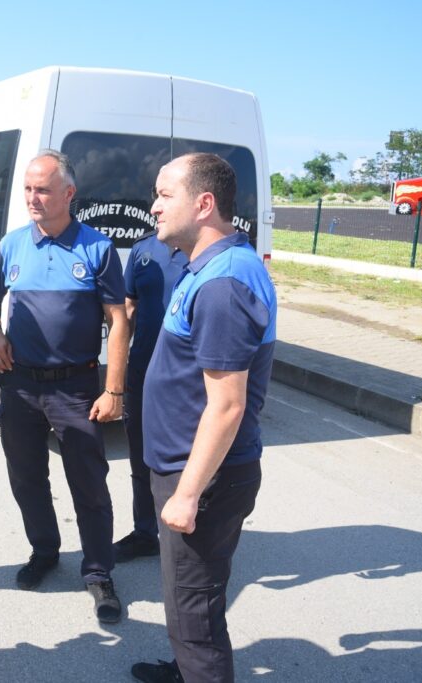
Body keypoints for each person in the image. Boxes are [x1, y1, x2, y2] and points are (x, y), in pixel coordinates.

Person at [130, 153, 277, 683]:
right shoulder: (212, 266)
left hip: (202, 476)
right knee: (192, 602)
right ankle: (184, 669)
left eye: (164, 194)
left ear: (204, 203)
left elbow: (228, 404)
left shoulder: (223, 285)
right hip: (189, 467)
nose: (153, 207)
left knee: (194, 615)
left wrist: (187, 494)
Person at [0, 149, 130, 624]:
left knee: (89, 484)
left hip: (75, 388)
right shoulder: (12, 245)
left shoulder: (97, 248)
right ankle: (44, 551)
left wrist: (114, 389)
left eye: (42, 189)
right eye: (28, 189)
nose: (32, 197)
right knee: (26, 478)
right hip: (20, 385)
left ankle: (99, 572)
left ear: (69, 193)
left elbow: (119, 321)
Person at [113, 233, 188, 563]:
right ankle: (145, 532)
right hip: (142, 373)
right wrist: (117, 372)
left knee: (183, 461)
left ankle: (186, 535)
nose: (157, 209)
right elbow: (128, 310)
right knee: (141, 458)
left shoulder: (203, 249)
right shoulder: (143, 249)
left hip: (184, 381)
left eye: (163, 205)